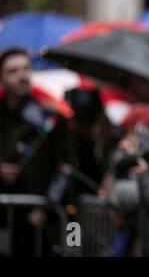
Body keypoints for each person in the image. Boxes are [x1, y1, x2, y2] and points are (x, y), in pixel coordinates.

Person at [0, 48, 71, 256]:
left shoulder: (47, 116)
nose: (22, 76)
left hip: (34, 222)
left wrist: (46, 208)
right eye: (13, 71)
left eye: (25, 68)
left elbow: (65, 167)